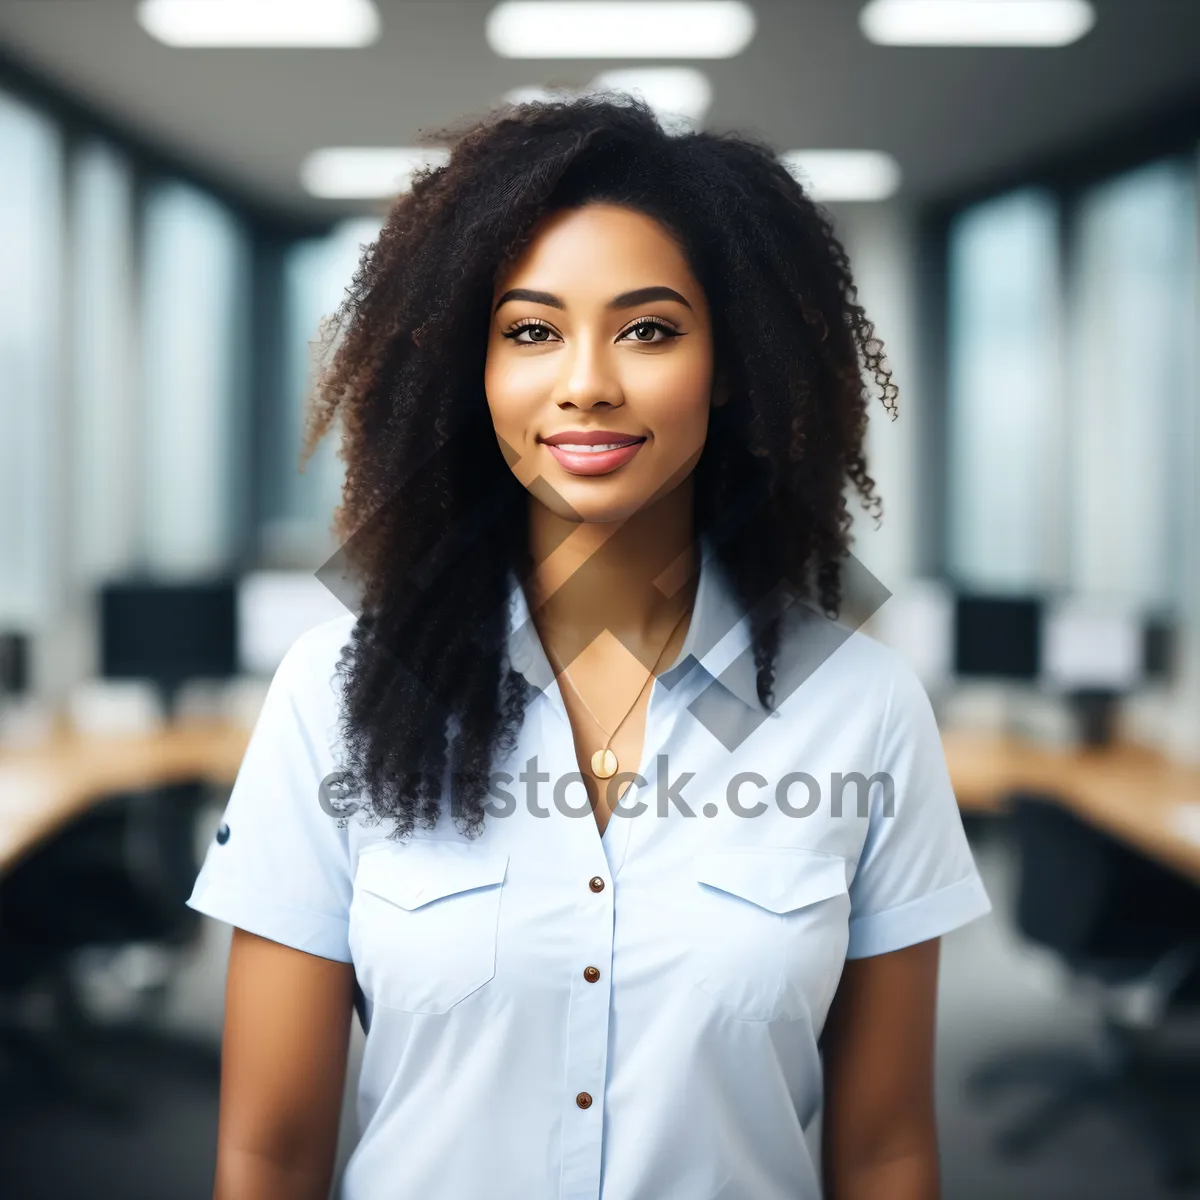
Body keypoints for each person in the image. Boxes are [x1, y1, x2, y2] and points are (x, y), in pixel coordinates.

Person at [188, 96, 991, 1200]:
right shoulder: (333, 695)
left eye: (649, 329)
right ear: (471, 371)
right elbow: (267, 1154)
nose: (586, 381)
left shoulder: (862, 706)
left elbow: (888, 1149)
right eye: (530, 330)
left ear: (731, 363)